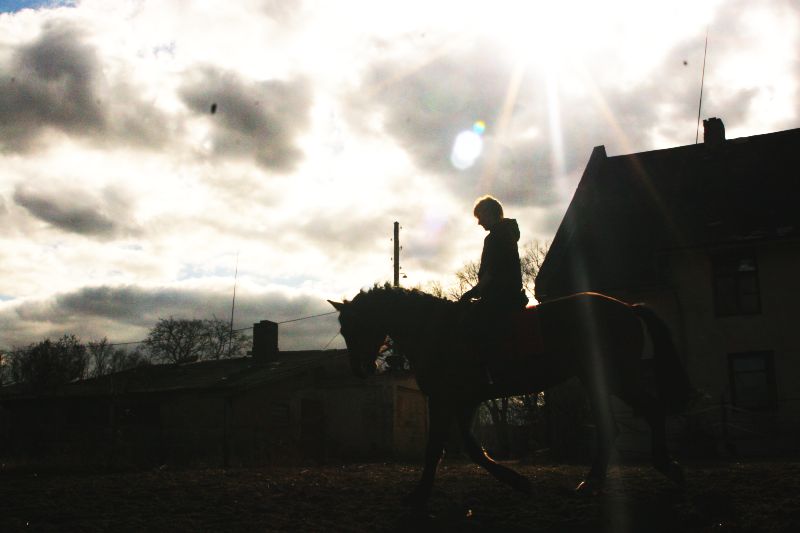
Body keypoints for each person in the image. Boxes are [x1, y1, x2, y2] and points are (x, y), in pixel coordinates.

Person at [459, 195, 528, 377]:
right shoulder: (507, 232)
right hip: (508, 294)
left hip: (500, 297)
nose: (479, 222)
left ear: (489, 213)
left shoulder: (496, 236)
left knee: (469, 323)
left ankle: (486, 372)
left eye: (480, 216)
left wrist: (473, 292)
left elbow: (492, 271)